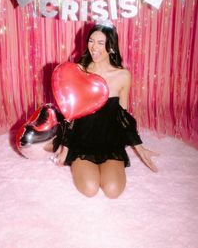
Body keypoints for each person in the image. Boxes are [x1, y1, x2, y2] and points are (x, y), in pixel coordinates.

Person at [50, 20, 159, 199]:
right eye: (91, 41)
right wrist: (65, 147)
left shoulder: (122, 75)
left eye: (101, 42)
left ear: (111, 46)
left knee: (113, 191)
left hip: (110, 141)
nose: (94, 47)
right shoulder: (79, 70)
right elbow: (72, 114)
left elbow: (122, 116)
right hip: (82, 140)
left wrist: (139, 147)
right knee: (90, 189)